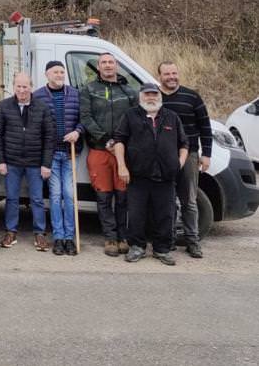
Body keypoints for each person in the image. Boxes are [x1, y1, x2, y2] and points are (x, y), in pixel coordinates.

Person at [113, 83, 189, 266]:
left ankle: (162, 249)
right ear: (141, 96)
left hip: (166, 176)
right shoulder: (130, 116)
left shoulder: (172, 117)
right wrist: (122, 166)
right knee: (137, 214)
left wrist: (178, 164)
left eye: (154, 94)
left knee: (165, 215)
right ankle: (137, 247)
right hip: (138, 176)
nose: (151, 97)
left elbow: (184, 144)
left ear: (159, 96)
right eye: (147, 94)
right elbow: (119, 141)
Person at [80, 52, 139, 256]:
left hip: (123, 152)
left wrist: (123, 143)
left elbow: (136, 119)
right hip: (99, 150)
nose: (107, 65)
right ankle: (110, 238)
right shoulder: (89, 89)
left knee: (123, 197)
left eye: (111, 62)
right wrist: (106, 140)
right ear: (98, 67)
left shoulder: (129, 91)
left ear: (116, 66)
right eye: (103, 62)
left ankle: (123, 237)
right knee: (104, 198)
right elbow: (86, 118)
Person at [0, 72, 56, 251]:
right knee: (12, 198)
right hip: (11, 161)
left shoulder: (42, 107)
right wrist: (1, 161)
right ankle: (11, 232)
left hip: (35, 162)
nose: (22, 90)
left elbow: (49, 137)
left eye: (25, 86)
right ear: (14, 87)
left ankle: (40, 234)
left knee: (37, 199)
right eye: (18, 86)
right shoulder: (4, 106)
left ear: (31, 87)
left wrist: (46, 163)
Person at [159, 61, 211, 259]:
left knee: (189, 200)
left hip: (189, 155)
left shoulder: (192, 96)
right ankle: (169, 239)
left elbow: (205, 126)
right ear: (159, 76)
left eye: (174, 73)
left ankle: (193, 241)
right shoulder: (155, 97)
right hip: (163, 157)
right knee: (167, 200)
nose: (171, 77)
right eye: (167, 74)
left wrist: (206, 154)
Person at [33, 61, 84, 256]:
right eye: (56, 72)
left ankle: (70, 238)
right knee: (55, 196)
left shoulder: (74, 94)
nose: (60, 75)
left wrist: (77, 132)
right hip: (51, 154)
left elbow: (83, 119)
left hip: (71, 152)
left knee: (70, 196)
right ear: (47, 74)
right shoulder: (38, 96)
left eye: (62, 72)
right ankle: (59, 237)